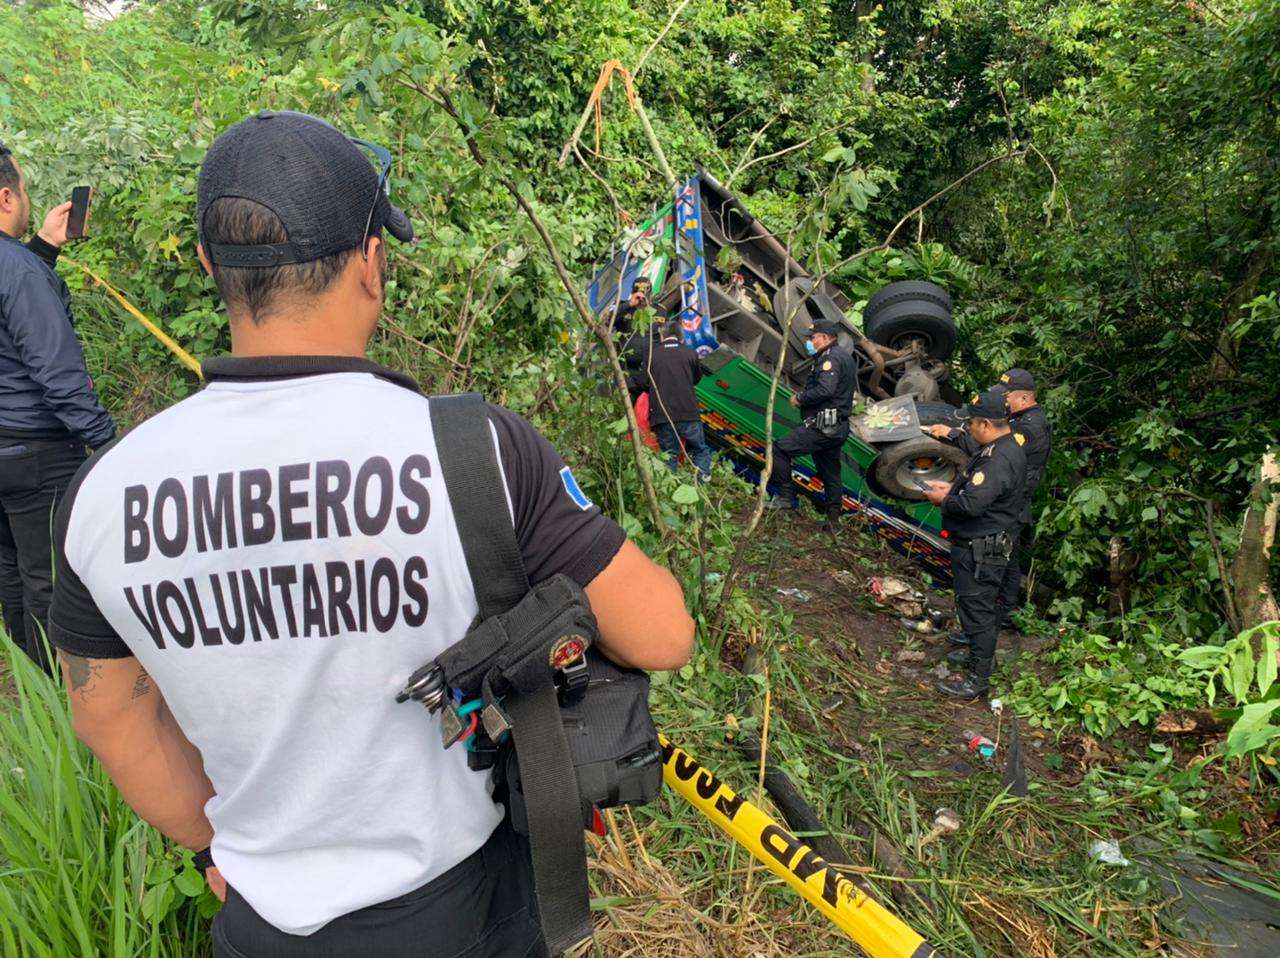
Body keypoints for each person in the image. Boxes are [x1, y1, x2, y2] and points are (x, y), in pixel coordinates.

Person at [48, 111, 695, 958]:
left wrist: (215, 849)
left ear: (210, 265)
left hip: (263, 928)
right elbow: (663, 633)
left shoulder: (104, 494)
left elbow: (109, 716)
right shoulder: (474, 450)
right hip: (462, 913)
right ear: (371, 262)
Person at [0, 140, 116, 672]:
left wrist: (43, 248)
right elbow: (57, 371)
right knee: (51, 580)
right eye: (23, 189)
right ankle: (66, 696)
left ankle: (34, 690)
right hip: (37, 453)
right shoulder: (20, 272)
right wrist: (108, 444)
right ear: (7, 197)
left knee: (11, 572)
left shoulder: (22, 266)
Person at [921, 389, 1026, 700]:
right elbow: (982, 492)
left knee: (977, 607)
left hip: (981, 544)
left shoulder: (998, 459)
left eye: (971, 424)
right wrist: (952, 488)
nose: (968, 428)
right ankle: (981, 658)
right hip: (987, 539)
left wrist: (943, 499)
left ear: (985, 425)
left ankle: (978, 679)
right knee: (977, 604)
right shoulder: (1003, 446)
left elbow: (971, 506)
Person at [927, 367, 1051, 631]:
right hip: (1005, 503)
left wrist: (954, 435)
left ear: (1024, 399)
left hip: (1007, 507)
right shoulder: (1019, 419)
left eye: (1007, 397)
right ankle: (991, 617)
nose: (1003, 402)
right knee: (1003, 560)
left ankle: (995, 617)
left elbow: (990, 451)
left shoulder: (1029, 428)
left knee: (994, 564)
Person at [765, 318, 856, 533]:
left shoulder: (831, 359)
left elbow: (825, 389)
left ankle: (786, 497)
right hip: (836, 425)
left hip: (825, 424)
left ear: (825, 338)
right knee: (830, 472)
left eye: (813, 337)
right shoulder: (842, 356)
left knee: (780, 449)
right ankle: (833, 520)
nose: (810, 342)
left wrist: (800, 398)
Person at [639, 320, 712, 478]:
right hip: (689, 413)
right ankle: (700, 484)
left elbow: (644, 383)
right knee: (700, 450)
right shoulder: (690, 353)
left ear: (662, 336)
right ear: (681, 337)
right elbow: (696, 379)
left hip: (662, 415)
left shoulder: (652, 355)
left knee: (669, 454)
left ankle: (667, 487)